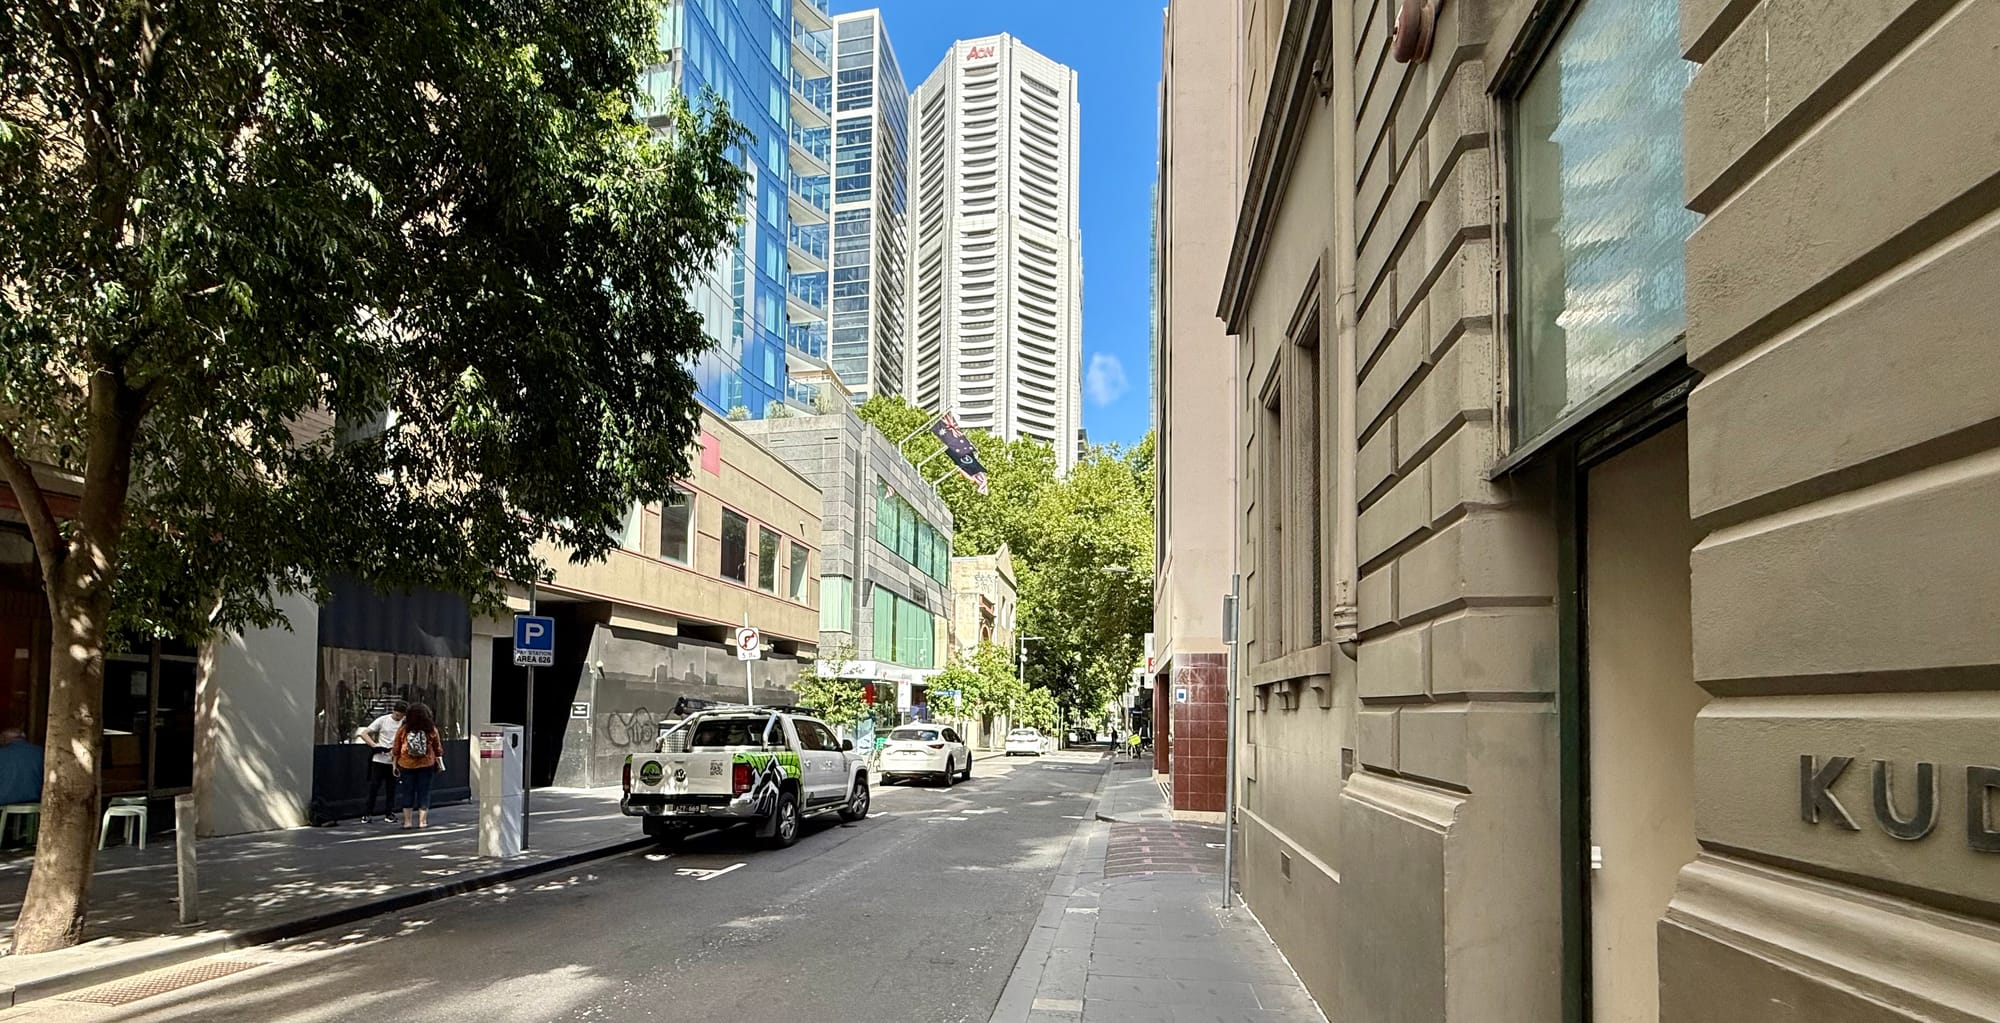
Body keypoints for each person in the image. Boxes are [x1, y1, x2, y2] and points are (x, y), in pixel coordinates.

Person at [392, 703, 446, 829]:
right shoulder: (431, 729)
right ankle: (422, 822)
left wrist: (394, 765)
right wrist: (439, 761)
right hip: (426, 764)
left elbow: (396, 748)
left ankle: (407, 822)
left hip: (406, 764)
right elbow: (438, 748)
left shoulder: (404, 729)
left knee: (407, 792)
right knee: (424, 792)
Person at [355, 700, 407, 823]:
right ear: (393, 711)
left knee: (391, 789)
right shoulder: (383, 720)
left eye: (401, 715)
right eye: (397, 715)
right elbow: (364, 733)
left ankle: (389, 813)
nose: (399, 717)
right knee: (374, 788)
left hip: (394, 760)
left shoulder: (404, 724)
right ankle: (367, 813)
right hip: (379, 759)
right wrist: (375, 746)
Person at [0, 728, 44, 807]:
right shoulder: (41, 752)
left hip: (3, 805)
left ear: (3, 740)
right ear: (23, 736)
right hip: (35, 806)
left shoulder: (2, 753)